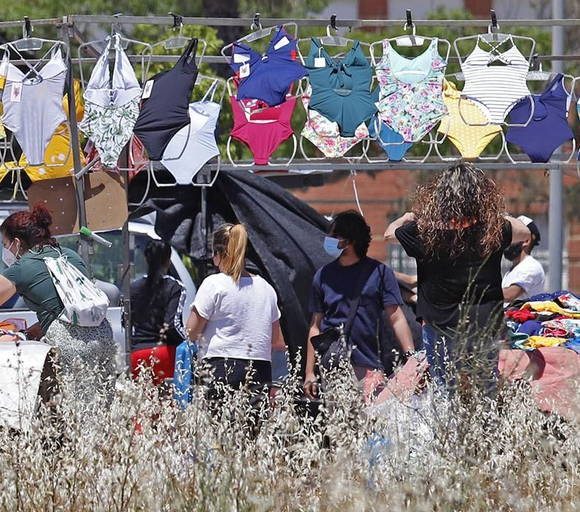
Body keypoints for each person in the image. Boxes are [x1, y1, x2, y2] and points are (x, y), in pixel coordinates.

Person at [384, 163, 534, 393]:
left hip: (439, 323)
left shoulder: (424, 233)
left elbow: (388, 235)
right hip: (482, 323)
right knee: (485, 391)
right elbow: (524, 232)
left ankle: (449, 429)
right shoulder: (492, 231)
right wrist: (498, 215)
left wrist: (406, 217)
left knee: (445, 391)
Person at [0, 204, 117, 403]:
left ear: (16, 243)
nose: (5, 250)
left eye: (5, 244)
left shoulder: (22, 267)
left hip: (71, 344)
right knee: (103, 407)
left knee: (76, 412)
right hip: (103, 336)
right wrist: (37, 330)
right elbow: (67, 306)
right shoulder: (69, 255)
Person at [304, 210, 416, 397]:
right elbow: (315, 326)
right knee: (339, 425)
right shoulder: (323, 276)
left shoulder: (379, 273)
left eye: (334, 235)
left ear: (351, 240)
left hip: (367, 368)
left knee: (368, 424)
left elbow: (396, 317)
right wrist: (309, 372)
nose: (328, 238)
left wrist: (411, 357)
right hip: (333, 368)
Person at [186, 222, 284, 433]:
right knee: (251, 438)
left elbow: (191, 332)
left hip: (221, 368)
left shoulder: (214, 284)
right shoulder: (266, 288)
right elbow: (276, 339)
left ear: (219, 253)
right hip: (260, 370)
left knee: (219, 438)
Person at [128, 238, 185, 386]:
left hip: (137, 354)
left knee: (142, 405)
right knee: (168, 405)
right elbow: (172, 324)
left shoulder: (133, 288)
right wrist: (188, 342)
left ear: (146, 260)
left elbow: (126, 322)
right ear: (168, 260)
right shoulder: (175, 287)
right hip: (165, 353)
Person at [502, 215, 548, 302]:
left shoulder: (530, 266)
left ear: (526, 241)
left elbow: (509, 295)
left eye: (512, 235)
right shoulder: (513, 269)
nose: (507, 239)